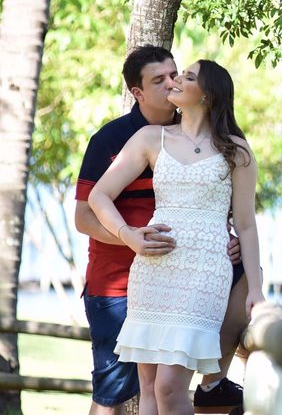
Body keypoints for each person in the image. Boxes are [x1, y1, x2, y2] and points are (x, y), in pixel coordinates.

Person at [75, 47, 248, 414]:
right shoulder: (114, 139)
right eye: (161, 80)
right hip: (119, 281)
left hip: (192, 273)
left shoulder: (217, 140)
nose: (172, 83)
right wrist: (129, 235)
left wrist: (225, 235)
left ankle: (215, 383)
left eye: (176, 74)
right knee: (115, 392)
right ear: (137, 92)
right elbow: (86, 213)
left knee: (166, 386)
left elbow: (222, 203)